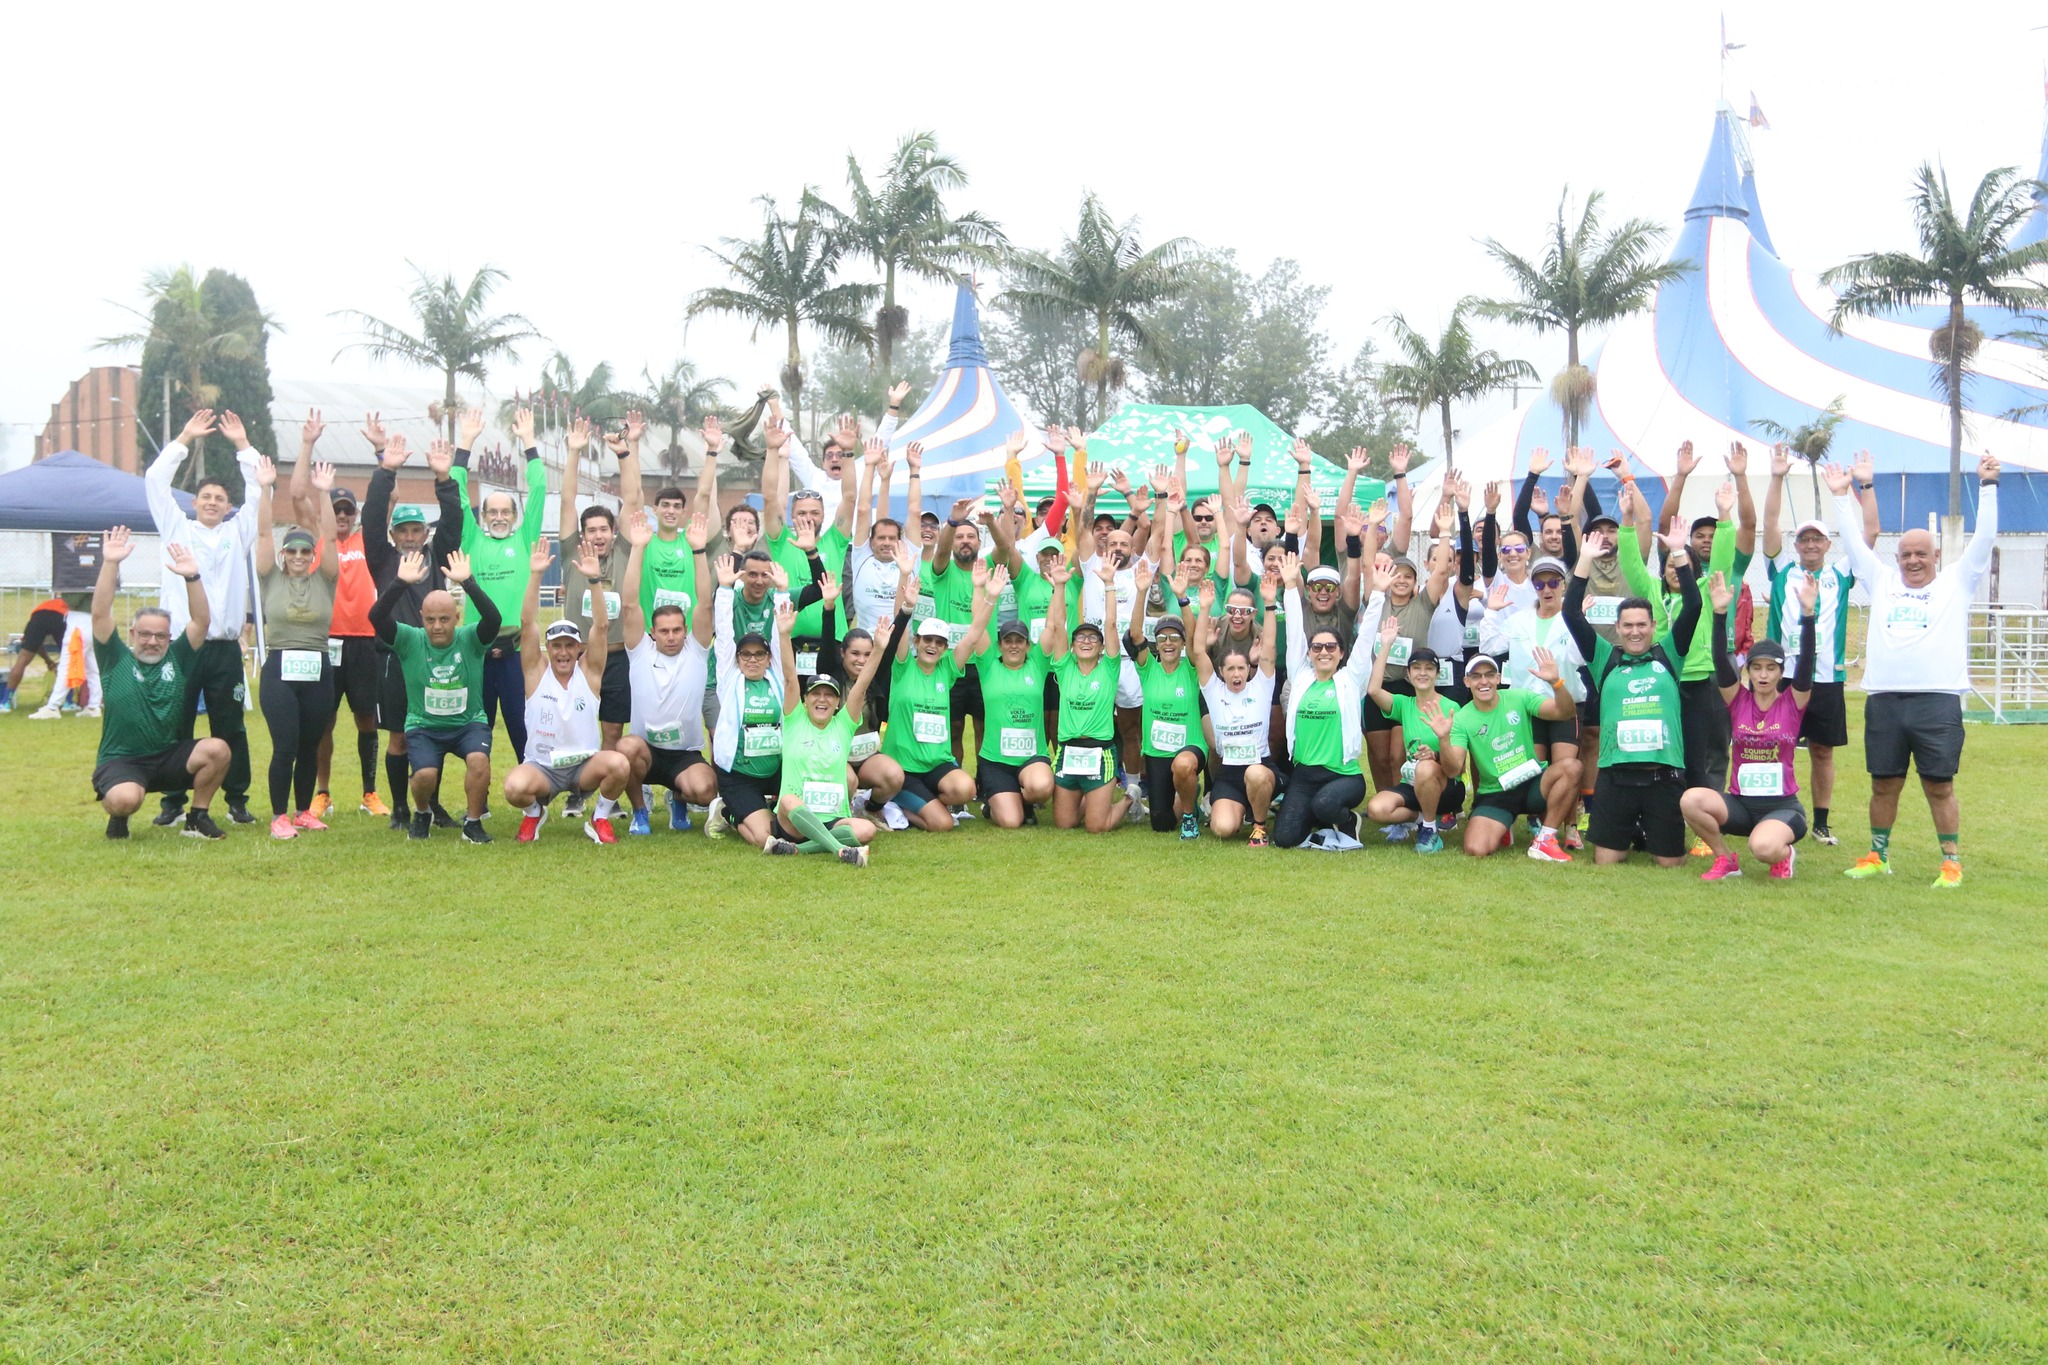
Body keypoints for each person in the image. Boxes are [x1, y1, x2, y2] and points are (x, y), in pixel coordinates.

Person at [1828, 454, 1999, 888]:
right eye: (1905, 554)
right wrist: (1839, 498)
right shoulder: (1881, 579)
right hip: (1884, 700)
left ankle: (1951, 862)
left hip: (1937, 700)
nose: (1912, 561)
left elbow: (1985, 538)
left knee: (1938, 785)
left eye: (1921, 554)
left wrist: (1989, 486)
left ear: (1936, 555)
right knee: (1883, 784)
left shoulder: (1957, 581)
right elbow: (1852, 542)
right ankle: (1878, 855)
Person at [143, 408, 263, 826]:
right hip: (183, 646)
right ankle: (172, 800)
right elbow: (155, 482)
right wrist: (184, 438)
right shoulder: (176, 528)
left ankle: (236, 799)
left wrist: (243, 446)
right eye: (206, 498)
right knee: (173, 723)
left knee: (230, 724)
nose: (213, 503)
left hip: (225, 648)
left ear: (229, 506)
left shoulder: (237, 532)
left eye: (220, 499)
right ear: (194, 503)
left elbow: (259, 491)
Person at [1562, 523, 1702, 868]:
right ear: (1618, 627)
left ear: (1653, 627)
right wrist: (1585, 560)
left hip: (1662, 778)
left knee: (1669, 864)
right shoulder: (1604, 658)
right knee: (1607, 862)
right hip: (1616, 778)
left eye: (1642, 625)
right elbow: (1570, 613)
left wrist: (1680, 552)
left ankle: (1650, 831)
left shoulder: (1669, 655)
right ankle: (1631, 831)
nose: (1635, 631)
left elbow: (1694, 606)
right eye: (1628, 625)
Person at [1761, 445, 1881, 845]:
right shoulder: (1781, 570)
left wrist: (1863, 486)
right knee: (1774, 747)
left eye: (1818, 539)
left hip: (1826, 677)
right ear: (1796, 545)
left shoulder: (1841, 572)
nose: (1810, 545)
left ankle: (1822, 823)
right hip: (1784, 677)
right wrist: (1776, 477)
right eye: (1804, 540)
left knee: (1823, 752)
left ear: (1828, 544)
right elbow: (1770, 524)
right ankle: (1772, 813)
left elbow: (1871, 534)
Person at [88, 527, 230, 840]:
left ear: (169, 637)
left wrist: (192, 577)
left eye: (160, 635)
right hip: (123, 760)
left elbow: (201, 622)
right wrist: (111, 563)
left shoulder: (177, 659)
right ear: (133, 635)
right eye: (145, 634)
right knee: (125, 800)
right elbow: (99, 613)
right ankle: (119, 818)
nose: (152, 641)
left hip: (168, 757)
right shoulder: (115, 659)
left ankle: (197, 818)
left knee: (218, 749)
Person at [1683, 570, 1817, 880]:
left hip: (1782, 807)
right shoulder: (1738, 699)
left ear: (1781, 673)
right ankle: (1725, 859)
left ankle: (1784, 854)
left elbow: (1807, 664)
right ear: (1749, 672)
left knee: (1764, 849)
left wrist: (1808, 615)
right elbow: (1720, 660)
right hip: (1740, 806)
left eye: (1771, 668)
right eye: (1756, 668)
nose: (1764, 675)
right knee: (1690, 800)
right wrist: (1719, 615)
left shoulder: (1793, 702)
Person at [362, 430, 466, 829]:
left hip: (432, 657)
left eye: (415, 531)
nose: (408, 537)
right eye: (402, 531)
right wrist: (385, 470)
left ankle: (431, 805)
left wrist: (444, 480)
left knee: (432, 734)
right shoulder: (382, 559)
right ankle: (401, 810)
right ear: (393, 536)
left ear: (425, 534)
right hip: (392, 658)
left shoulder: (437, 556)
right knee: (399, 738)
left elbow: (454, 522)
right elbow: (371, 515)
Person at [289, 410, 386, 820]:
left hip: (366, 639)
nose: (342, 515)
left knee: (366, 717)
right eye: (337, 509)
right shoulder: (319, 538)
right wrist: (307, 444)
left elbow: (388, 491)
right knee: (322, 721)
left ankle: (369, 792)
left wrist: (381, 449)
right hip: (325, 642)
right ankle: (322, 793)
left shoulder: (369, 538)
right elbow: (296, 496)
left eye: (347, 510)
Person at [503, 540, 632, 845]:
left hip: (583, 766)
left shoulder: (588, 673)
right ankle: (534, 813)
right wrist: (535, 575)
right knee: (514, 788)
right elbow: (527, 623)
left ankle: (600, 816)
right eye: (556, 645)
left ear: (578, 649)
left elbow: (601, 627)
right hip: (543, 768)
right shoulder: (536, 672)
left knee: (619, 764)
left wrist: (594, 580)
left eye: (569, 646)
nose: (562, 652)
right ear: (549, 648)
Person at [370, 548, 500, 844]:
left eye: (444, 619)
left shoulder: (471, 639)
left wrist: (468, 583)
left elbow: (493, 618)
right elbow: (377, 617)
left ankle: (474, 823)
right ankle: (422, 812)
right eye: (430, 620)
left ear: (456, 617)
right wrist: (399, 584)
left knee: (479, 760)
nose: (437, 626)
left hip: (468, 724)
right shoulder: (409, 640)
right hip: (424, 726)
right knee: (425, 775)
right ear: (421, 618)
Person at [761, 594, 893, 863]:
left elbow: (861, 686)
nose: (822, 699)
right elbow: (789, 677)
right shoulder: (795, 719)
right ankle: (841, 850)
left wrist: (879, 649)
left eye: (829, 695)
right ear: (805, 699)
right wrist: (784, 635)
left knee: (866, 829)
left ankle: (800, 849)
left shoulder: (843, 724)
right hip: (794, 821)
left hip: (832, 816)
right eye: (815, 694)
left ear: (836, 703)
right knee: (788, 800)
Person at [451, 403, 547, 765]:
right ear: (483, 516)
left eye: (506, 511)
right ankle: (480, 804)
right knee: (477, 731)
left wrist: (529, 442)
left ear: (515, 516)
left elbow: (538, 488)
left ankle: (531, 797)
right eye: (492, 511)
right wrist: (466, 443)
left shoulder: (524, 541)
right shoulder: (471, 541)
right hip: (476, 651)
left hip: (517, 651)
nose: (499, 517)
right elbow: (457, 495)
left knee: (524, 728)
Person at [253, 453, 342, 840]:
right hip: (280, 669)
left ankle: (304, 811)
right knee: (285, 746)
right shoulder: (269, 578)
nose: (300, 557)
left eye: (306, 552)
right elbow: (262, 535)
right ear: (283, 555)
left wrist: (323, 495)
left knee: (310, 745)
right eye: (293, 552)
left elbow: (331, 537)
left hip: (318, 667)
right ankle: (279, 816)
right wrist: (264, 488)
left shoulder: (325, 580)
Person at [615, 512, 719, 833]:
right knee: (625, 750)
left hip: (683, 754)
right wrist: (638, 548)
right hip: (645, 751)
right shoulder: (640, 650)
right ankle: (640, 812)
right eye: (664, 631)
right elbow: (630, 603)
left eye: (677, 630)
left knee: (706, 790)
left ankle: (679, 800)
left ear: (686, 630)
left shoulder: (696, 651)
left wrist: (699, 552)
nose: (671, 636)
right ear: (652, 632)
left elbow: (704, 605)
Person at [880, 559, 1000, 831]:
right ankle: (896, 805)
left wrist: (989, 596)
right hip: (905, 768)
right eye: (928, 640)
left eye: (939, 642)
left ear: (945, 648)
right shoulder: (903, 666)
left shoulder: (947, 670)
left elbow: (973, 634)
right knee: (943, 824)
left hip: (937, 765)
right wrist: (904, 581)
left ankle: (918, 802)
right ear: (917, 642)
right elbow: (898, 629)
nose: (932, 646)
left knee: (965, 789)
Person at [1275, 552, 1384, 851]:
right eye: (1317, 647)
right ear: (1309, 652)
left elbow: (1366, 638)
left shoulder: (1350, 680)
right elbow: (1295, 630)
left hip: (1344, 775)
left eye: (1331, 647)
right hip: (1305, 774)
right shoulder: (1300, 676)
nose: (1323, 651)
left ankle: (1346, 821)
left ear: (1340, 652)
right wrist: (1289, 586)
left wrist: (1378, 595)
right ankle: (1319, 818)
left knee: (1325, 805)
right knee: (1285, 838)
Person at [1427, 652, 1582, 859]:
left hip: (1533, 782)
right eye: (1476, 676)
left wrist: (1556, 682)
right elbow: (1454, 769)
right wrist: (1444, 740)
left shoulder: (1519, 697)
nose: (1484, 681)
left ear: (1498, 678)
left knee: (1572, 767)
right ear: (1466, 682)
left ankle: (1545, 840)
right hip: (1496, 792)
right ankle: (1503, 826)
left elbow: (1565, 712)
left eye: (1489, 675)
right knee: (1476, 849)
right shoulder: (1462, 718)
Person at [819, 540, 920, 828]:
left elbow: (890, 643)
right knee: (847, 780)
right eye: (855, 654)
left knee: (894, 776)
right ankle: (840, 815)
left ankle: (871, 807)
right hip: (836, 760)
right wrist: (829, 608)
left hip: (866, 756)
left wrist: (907, 609)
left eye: (867, 654)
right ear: (843, 654)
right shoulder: (831, 675)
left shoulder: (876, 676)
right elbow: (827, 644)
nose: (862, 660)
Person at [557, 415, 636, 769]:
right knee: (576, 724)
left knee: (613, 728)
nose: (598, 536)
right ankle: (576, 787)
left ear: (613, 531)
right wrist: (574, 452)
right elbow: (567, 501)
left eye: (604, 529)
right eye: (592, 530)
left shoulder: (623, 552)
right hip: (579, 655)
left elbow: (632, 501)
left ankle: (606, 787)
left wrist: (624, 454)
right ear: (582, 534)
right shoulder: (572, 551)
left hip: (618, 657)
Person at [705, 551, 792, 848]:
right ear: (737, 658)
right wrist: (726, 590)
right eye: (746, 654)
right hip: (740, 776)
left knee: (793, 827)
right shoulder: (730, 680)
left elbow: (781, 639)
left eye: (759, 654)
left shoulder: (776, 678)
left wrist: (781, 592)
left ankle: (758, 808)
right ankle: (730, 812)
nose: (752, 660)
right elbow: (726, 633)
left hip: (776, 771)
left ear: (768, 658)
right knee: (767, 837)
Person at [1042, 554, 1133, 833]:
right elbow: (1057, 626)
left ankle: (1130, 799)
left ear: (1102, 647)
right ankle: (1085, 799)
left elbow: (1111, 626)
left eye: (1092, 638)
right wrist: (1058, 587)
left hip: (1100, 752)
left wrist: (1108, 584)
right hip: (1068, 751)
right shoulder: (1065, 667)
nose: (1085, 641)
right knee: (1065, 824)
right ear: (1071, 647)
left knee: (1096, 826)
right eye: (1080, 637)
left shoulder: (1108, 668)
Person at [1119, 559, 1207, 838]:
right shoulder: (1148, 669)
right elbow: (1135, 635)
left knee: (1183, 766)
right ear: (1157, 643)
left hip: (1189, 748)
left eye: (1174, 638)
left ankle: (1191, 812)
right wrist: (1141, 591)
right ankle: (1189, 791)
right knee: (1161, 823)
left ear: (1181, 643)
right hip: (1157, 752)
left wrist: (1183, 599)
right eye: (1163, 638)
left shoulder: (1191, 669)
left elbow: (1195, 638)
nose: (1168, 643)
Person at [1191, 573, 1280, 844]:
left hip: (1259, 767)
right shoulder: (1214, 690)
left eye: (1241, 667)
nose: (1236, 673)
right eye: (1230, 669)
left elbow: (1270, 648)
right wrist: (1205, 607)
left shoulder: (1261, 687)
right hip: (1229, 775)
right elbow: (1198, 653)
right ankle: (1238, 809)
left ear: (1249, 670)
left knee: (1254, 774)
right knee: (1222, 829)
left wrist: (1270, 603)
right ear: (1221, 671)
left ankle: (1260, 824)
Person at [1363, 620, 1465, 855]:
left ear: (1437, 674)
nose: (1422, 673)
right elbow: (1373, 691)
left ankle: (1430, 831)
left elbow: (1457, 769)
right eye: (1417, 668)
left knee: (1426, 768)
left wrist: (1438, 752)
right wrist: (1386, 645)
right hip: (1414, 782)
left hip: (1447, 787)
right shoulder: (1404, 704)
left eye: (1429, 668)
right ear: (1408, 674)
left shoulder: (1452, 708)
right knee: (1377, 809)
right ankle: (1421, 817)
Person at [972, 580, 1060, 831]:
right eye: (1008, 640)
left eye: (1019, 640)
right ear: (1000, 645)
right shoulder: (989, 665)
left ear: (1028, 645)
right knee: (1011, 822)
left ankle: (1025, 799)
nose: (1013, 645)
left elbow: (1052, 627)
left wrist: (1057, 591)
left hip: (1031, 757)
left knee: (1042, 788)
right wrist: (981, 590)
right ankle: (995, 801)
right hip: (996, 760)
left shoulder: (1037, 664)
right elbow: (978, 627)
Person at [3, 594, 68, 712]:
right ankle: (68, 702)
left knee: (22, 661)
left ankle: (5, 702)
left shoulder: (46, 604)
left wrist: (48, 661)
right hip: (61, 617)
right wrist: (50, 661)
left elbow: (37, 644)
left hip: (38, 616)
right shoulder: (71, 605)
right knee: (68, 662)